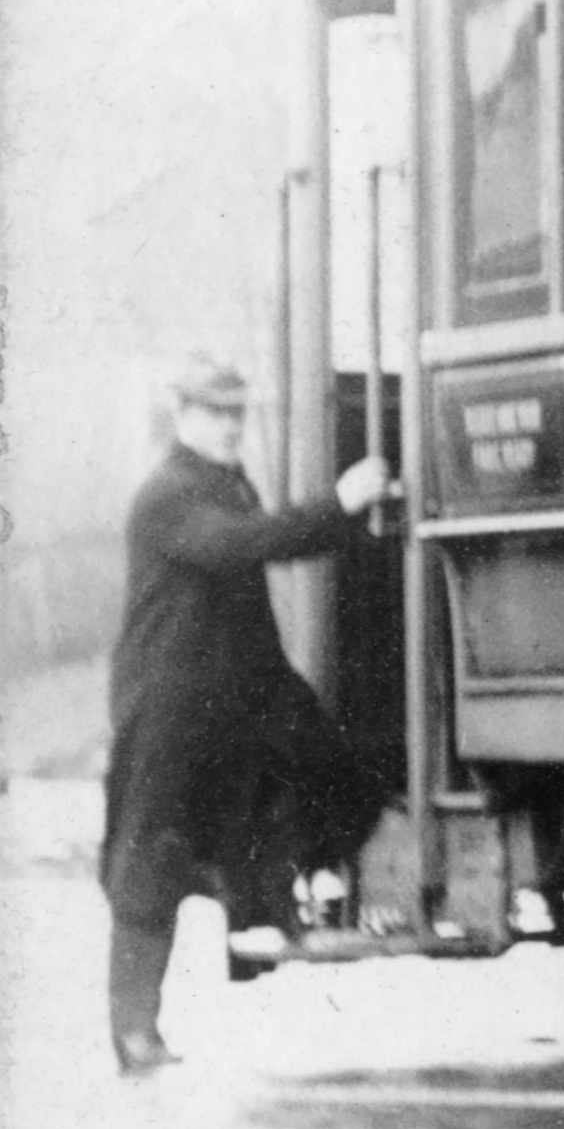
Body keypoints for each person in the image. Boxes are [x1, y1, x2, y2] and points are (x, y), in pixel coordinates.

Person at [102, 360, 391, 1075]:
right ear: (182, 415)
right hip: (169, 704)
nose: (231, 425)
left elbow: (262, 541)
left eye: (237, 412)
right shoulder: (168, 494)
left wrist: (363, 515)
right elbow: (244, 544)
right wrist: (339, 502)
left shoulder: (224, 484)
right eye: (215, 412)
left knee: (340, 780)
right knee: (154, 857)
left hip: (238, 692)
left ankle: (265, 907)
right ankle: (135, 1032)